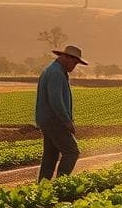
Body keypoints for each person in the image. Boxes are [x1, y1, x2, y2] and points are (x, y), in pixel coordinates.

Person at [36, 43, 87, 180]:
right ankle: (61, 184)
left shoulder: (53, 70)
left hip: (48, 120)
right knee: (72, 152)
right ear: (66, 58)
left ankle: (43, 187)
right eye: (75, 63)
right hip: (55, 121)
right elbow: (56, 101)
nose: (74, 66)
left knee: (50, 155)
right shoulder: (56, 73)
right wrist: (67, 121)